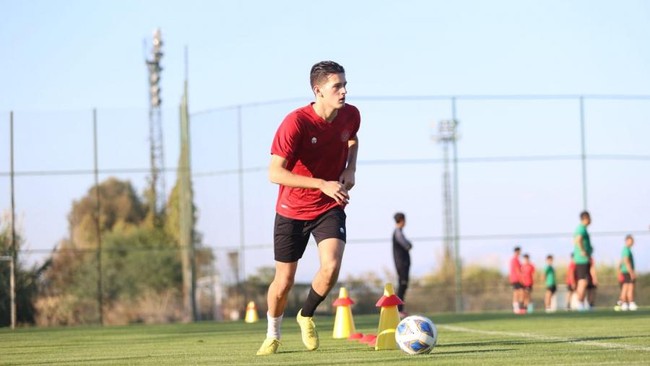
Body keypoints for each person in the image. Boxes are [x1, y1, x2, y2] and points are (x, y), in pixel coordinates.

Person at [256, 61, 361, 355]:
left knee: (330, 267)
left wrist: (350, 169)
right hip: (291, 210)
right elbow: (274, 173)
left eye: (344, 85)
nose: (343, 91)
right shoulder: (296, 123)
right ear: (318, 91)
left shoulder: (350, 114)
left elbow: (352, 139)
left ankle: (306, 314)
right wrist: (322, 183)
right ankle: (273, 333)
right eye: (336, 86)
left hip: (329, 206)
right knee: (284, 281)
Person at [392, 212, 413, 317]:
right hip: (402, 264)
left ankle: (400, 309)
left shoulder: (399, 232)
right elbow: (407, 245)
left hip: (403, 263)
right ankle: (398, 309)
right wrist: (409, 244)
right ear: (401, 220)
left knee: (403, 285)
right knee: (402, 285)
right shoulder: (398, 233)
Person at [572, 211, 592, 311]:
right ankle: (580, 303)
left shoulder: (582, 229)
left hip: (584, 260)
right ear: (586, 218)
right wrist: (583, 251)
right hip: (582, 260)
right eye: (590, 218)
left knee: (584, 281)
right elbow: (578, 239)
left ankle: (582, 303)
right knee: (582, 282)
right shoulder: (581, 229)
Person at [615, 235, 638, 311]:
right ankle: (627, 302)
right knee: (629, 288)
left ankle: (623, 303)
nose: (632, 243)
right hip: (627, 272)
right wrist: (631, 272)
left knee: (626, 288)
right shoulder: (626, 250)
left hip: (624, 272)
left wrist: (618, 270)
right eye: (631, 241)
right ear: (627, 241)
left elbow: (620, 262)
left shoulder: (625, 250)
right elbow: (626, 261)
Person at [509, 246, 524, 314]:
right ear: (517, 251)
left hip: (515, 278)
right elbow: (517, 270)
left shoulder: (515, 259)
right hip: (516, 278)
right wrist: (521, 279)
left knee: (519, 292)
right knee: (517, 293)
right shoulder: (515, 260)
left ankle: (518, 308)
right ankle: (516, 308)